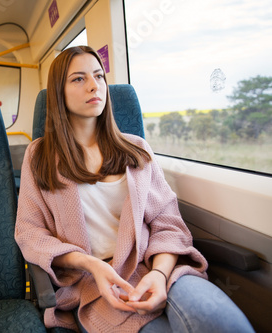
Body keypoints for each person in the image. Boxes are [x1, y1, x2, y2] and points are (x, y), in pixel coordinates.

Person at [14, 46, 254, 332]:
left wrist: (160, 274)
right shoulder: (39, 156)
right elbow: (30, 233)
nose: (94, 85)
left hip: (156, 266)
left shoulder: (136, 150)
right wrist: (91, 264)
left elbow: (168, 226)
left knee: (219, 322)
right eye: (78, 79)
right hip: (95, 280)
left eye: (99, 76)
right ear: (58, 93)